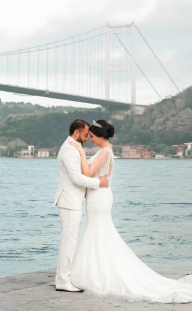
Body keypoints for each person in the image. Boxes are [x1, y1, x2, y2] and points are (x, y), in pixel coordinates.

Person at [68, 119, 192, 303]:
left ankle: (96, 273)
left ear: (99, 135)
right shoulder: (105, 151)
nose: (90, 138)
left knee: (99, 232)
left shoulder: (104, 152)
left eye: (91, 136)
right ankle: (97, 270)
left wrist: (80, 152)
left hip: (100, 197)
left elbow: (88, 173)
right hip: (100, 196)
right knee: (99, 233)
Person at [53, 119, 109, 292]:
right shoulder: (69, 150)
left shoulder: (73, 148)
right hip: (69, 202)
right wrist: (98, 182)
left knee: (68, 241)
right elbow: (77, 178)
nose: (86, 138)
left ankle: (62, 277)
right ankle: (63, 280)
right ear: (76, 133)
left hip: (72, 201)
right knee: (68, 242)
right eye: (85, 135)